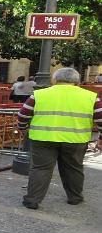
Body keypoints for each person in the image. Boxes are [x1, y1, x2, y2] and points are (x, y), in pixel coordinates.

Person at [17, 68, 102, 209]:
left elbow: (23, 114)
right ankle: (75, 197)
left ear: (54, 80)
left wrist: (23, 128)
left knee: (40, 169)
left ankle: (32, 200)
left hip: (43, 138)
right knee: (74, 169)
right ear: (77, 82)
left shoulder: (39, 94)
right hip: (76, 139)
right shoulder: (91, 97)